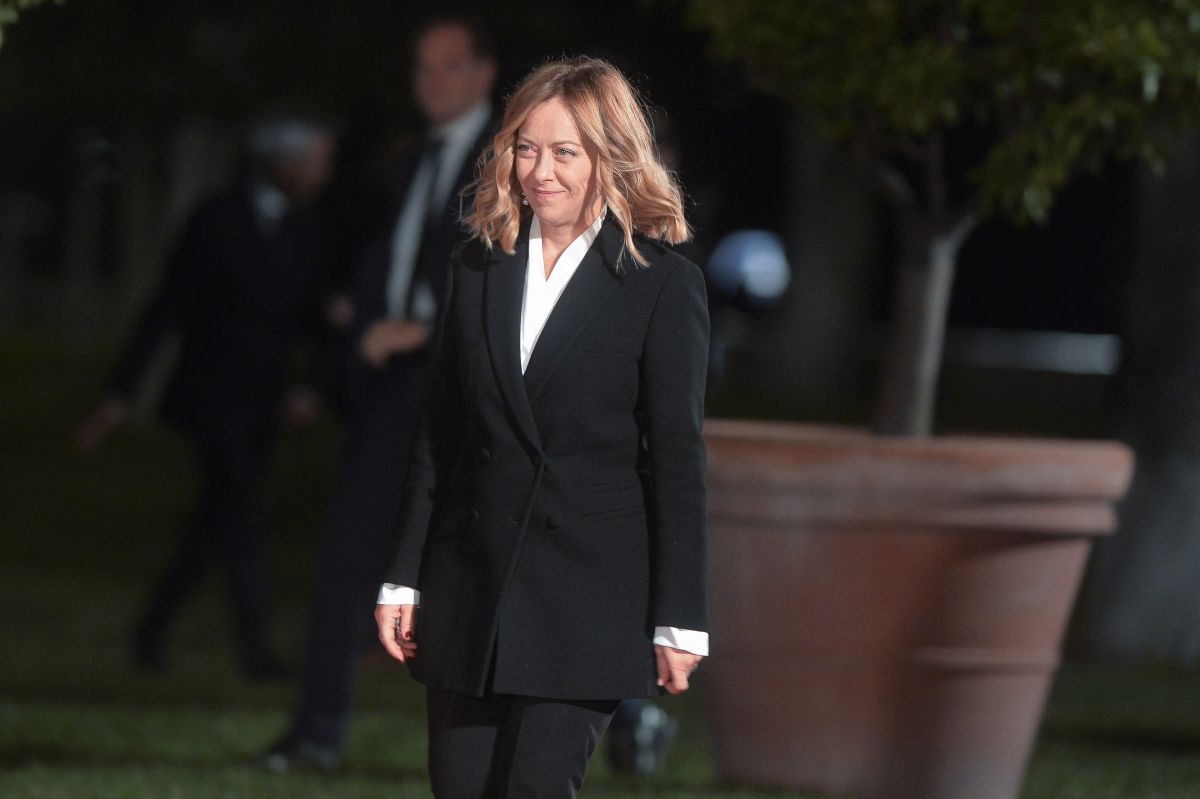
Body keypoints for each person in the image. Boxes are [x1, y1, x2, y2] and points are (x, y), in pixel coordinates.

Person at [374, 56, 710, 798]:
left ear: (610, 157)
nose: (541, 171)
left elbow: (677, 460)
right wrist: (403, 574)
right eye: (526, 148)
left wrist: (681, 617)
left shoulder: (662, 283)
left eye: (565, 152)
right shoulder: (475, 266)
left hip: (587, 598)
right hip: (471, 583)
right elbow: (438, 438)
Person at [262, 16, 498, 771]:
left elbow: (509, 271)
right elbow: (390, 260)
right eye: (423, 67)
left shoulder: (514, 159)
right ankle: (315, 734)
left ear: (485, 73)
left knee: (499, 564)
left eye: (451, 65)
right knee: (350, 554)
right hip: (393, 391)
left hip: (472, 390)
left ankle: (608, 715)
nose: (434, 81)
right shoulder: (410, 160)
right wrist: (358, 334)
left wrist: (424, 327)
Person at [76, 115, 337, 680]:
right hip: (211, 398)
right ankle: (257, 652)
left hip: (263, 404)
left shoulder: (305, 227)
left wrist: (315, 384)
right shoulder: (217, 219)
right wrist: (122, 391)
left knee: (214, 523)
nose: (322, 175)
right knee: (240, 512)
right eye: (314, 162)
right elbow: (167, 306)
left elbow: (313, 316)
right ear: (282, 162)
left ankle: (151, 628)